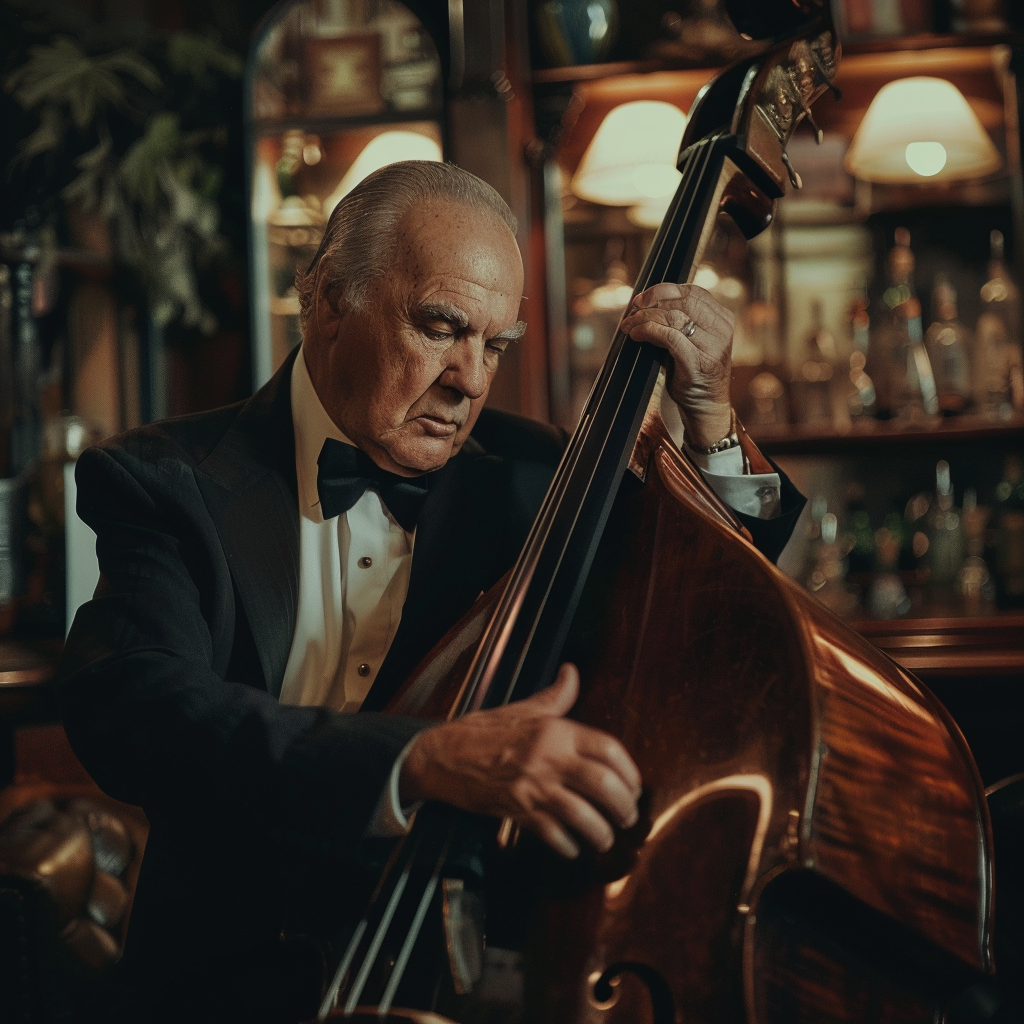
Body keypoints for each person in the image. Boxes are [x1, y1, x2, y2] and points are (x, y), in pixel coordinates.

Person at [57, 161, 804, 1021]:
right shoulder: (167, 478)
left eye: (494, 345)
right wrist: (414, 764)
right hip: (220, 985)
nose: (472, 380)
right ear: (330, 298)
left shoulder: (544, 479)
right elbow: (135, 707)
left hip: (472, 984)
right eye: (442, 326)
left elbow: (716, 604)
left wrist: (709, 414)